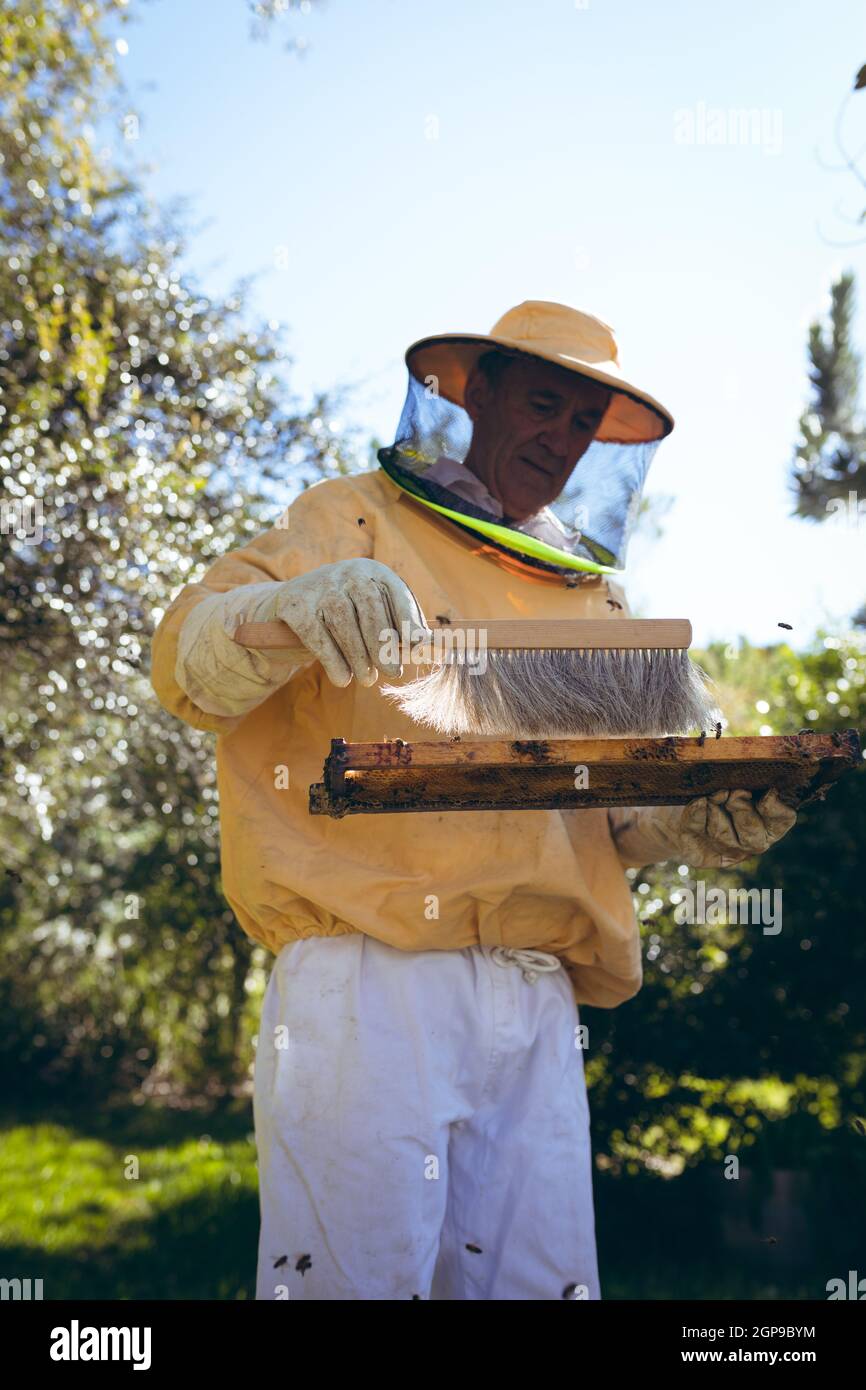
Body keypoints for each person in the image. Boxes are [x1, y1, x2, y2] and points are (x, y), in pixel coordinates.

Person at [149, 299, 797, 1300]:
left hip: (537, 999)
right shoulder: (348, 518)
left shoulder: (588, 598)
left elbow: (602, 815)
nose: (561, 438)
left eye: (583, 423)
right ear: (474, 391)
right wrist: (283, 606)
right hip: (372, 983)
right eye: (544, 404)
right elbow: (188, 666)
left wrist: (692, 819)